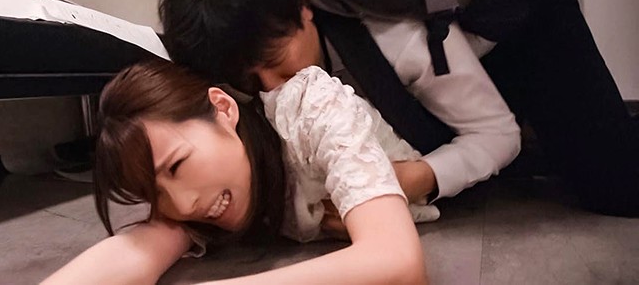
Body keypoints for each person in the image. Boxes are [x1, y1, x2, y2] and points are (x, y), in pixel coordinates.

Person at [157, 0, 639, 217]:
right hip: (457, 56)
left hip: (526, 12)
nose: (271, 88)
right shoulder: (259, 58)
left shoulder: (391, 34)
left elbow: (497, 134)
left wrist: (415, 178)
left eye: (276, 64)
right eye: (250, 80)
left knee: (613, 184)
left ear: (303, 7)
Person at [43, 60, 428, 284]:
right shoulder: (206, 197)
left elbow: (398, 261)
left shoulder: (311, 109)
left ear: (223, 109)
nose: (183, 204)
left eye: (176, 165)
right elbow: (137, 250)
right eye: (154, 193)